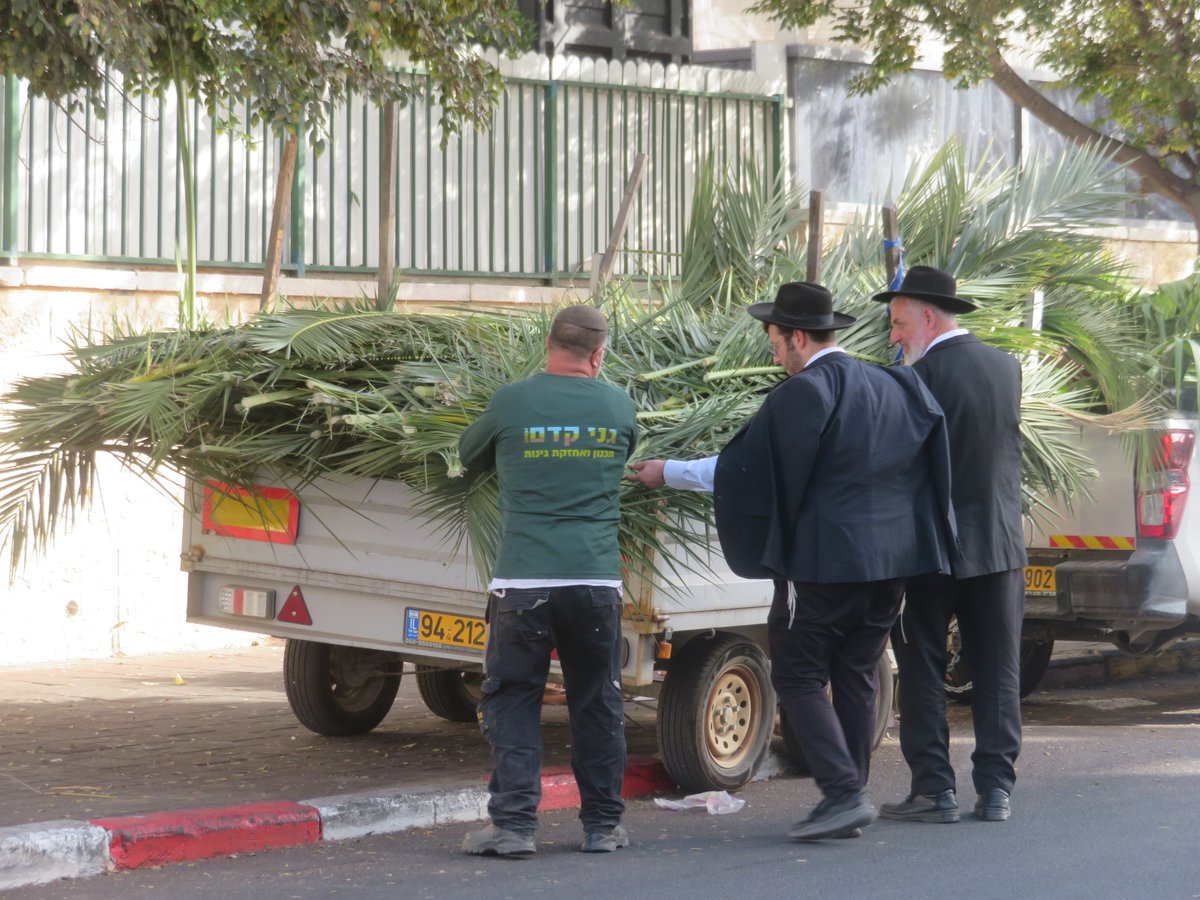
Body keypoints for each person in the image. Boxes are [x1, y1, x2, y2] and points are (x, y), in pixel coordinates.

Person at [628, 281, 958, 841]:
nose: (774, 354)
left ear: (799, 338)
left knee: (797, 671)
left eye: (776, 342)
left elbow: (745, 473)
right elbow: (935, 464)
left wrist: (669, 471)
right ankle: (849, 791)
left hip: (830, 561)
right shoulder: (899, 382)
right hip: (897, 560)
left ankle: (844, 793)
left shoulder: (804, 393)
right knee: (856, 671)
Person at [458, 304, 638, 857]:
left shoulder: (513, 400)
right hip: (594, 581)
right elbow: (627, 453)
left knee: (513, 699)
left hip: (524, 582)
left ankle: (514, 827)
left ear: (548, 343)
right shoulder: (618, 405)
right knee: (597, 702)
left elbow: (468, 456)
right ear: (598, 354)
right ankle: (603, 826)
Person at [873, 265, 1026, 824]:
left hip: (929, 551)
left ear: (928, 317)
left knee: (921, 667)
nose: (892, 336)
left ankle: (935, 789)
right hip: (999, 545)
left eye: (897, 322)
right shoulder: (1005, 368)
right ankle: (996, 790)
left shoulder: (912, 379)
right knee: (998, 669)